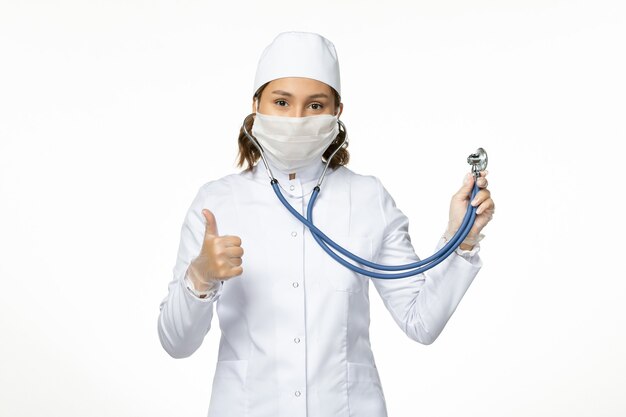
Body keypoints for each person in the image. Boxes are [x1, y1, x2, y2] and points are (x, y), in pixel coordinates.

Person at [157, 31, 495, 417]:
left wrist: (463, 239)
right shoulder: (217, 203)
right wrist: (199, 277)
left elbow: (422, 323)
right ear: (256, 105)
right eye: (281, 102)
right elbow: (176, 343)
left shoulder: (368, 199)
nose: (297, 118)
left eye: (315, 105)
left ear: (337, 111)